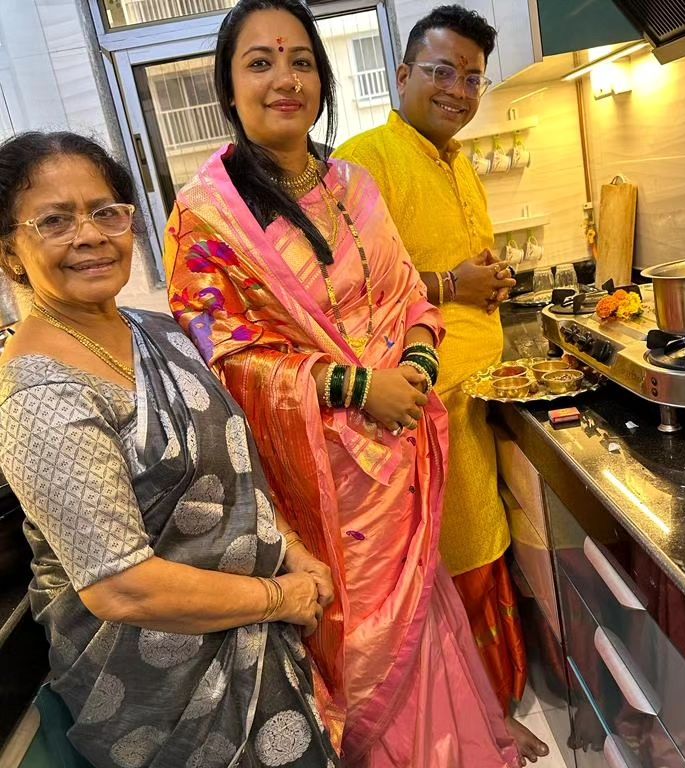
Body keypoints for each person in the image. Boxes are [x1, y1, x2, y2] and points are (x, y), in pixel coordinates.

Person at [163, 1, 522, 765]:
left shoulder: (353, 185)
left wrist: (417, 369)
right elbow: (221, 357)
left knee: (425, 621)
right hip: (322, 485)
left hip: (402, 450)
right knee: (361, 649)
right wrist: (360, 390)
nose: (284, 79)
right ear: (227, 87)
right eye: (259, 62)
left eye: (300, 61)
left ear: (322, 79)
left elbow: (412, 301)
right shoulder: (205, 219)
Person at [0, 131, 340, 768]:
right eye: (54, 220)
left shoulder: (155, 331)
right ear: (11, 254)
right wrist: (281, 598)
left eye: (107, 211)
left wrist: (294, 551)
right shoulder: (39, 393)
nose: (91, 234)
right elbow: (122, 588)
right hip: (162, 697)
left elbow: (234, 465)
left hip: (255, 641)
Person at [333, 6, 549, 762]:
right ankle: (479, 724)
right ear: (401, 75)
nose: (458, 89)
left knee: (490, 550)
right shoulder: (367, 160)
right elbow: (350, 291)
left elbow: (452, 271)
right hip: (426, 410)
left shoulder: (453, 158)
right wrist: (452, 282)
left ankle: (500, 708)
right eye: (440, 71)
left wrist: (484, 281)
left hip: (482, 392)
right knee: (463, 561)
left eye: (471, 77)